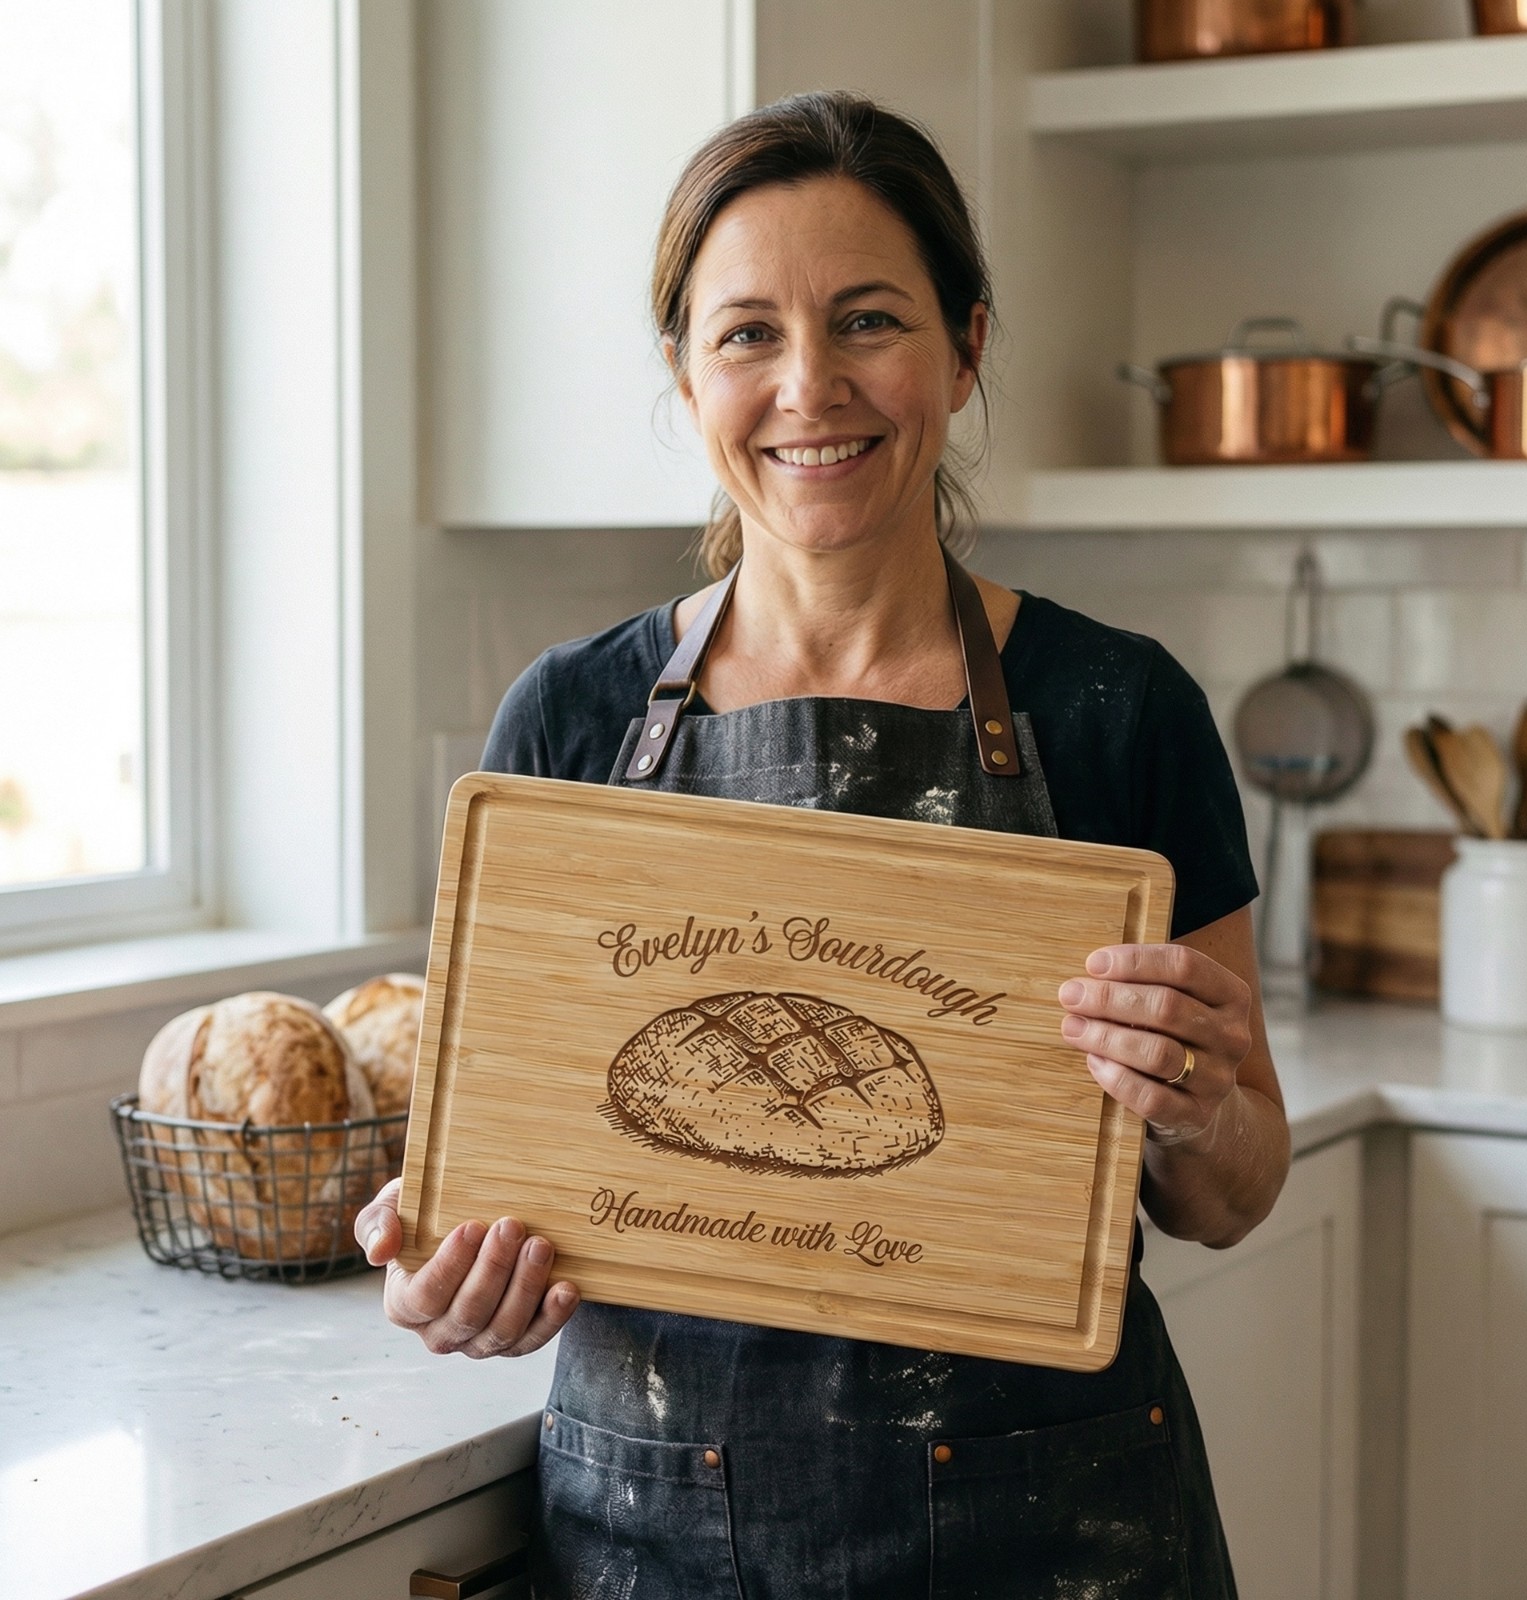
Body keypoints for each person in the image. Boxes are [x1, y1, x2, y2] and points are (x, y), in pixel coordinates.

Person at [357, 90, 1289, 1599]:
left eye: (869, 321)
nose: (812, 387)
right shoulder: (570, 722)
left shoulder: (1118, 708)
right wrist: (448, 1277)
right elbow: (495, 1172)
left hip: (1054, 1531)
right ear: (682, 370)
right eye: (747, 336)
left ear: (967, 347)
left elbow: (1235, 1193)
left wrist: (1197, 1102)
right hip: (658, 1529)